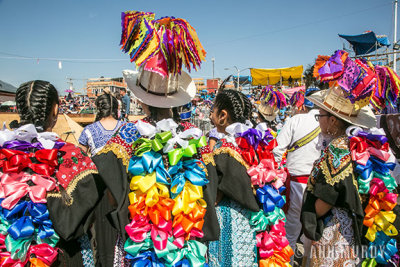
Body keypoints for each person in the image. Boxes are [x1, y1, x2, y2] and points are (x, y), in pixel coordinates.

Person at [92, 68, 209, 266]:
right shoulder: (192, 134)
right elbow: (207, 185)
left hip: (145, 235)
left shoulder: (129, 132)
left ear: (142, 100)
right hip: (185, 232)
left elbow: (112, 195)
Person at [301, 50, 400, 266]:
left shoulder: (337, 148)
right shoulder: (357, 144)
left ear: (334, 122)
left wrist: (310, 215)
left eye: (321, 116)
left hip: (336, 230)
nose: (319, 121)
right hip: (354, 228)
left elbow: (327, 197)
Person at [0, 80, 103, 266]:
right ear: (55, 110)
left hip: (11, 255)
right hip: (65, 256)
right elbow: (85, 213)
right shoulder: (72, 155)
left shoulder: (5, 155)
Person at [205, 89, 293, 266]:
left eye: (213, 110)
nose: (210, 115)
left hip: (228, 221)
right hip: (251, 222)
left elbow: (213, 197)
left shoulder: (221, 149)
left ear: (223, 115)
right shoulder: (256, 144)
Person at [272, 87, 322, 260]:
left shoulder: (296, 120)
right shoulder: (330, 121)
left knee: (291, 229)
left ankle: (289, 261)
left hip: (296, 183)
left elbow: (277, 150)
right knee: (312, 229)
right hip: (320, 184)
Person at [78, 90, 123, 156]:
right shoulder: (126, 127)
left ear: (98, 109)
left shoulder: (89, 130)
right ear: (116, 108)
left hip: (96, 166)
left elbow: (80, 156)